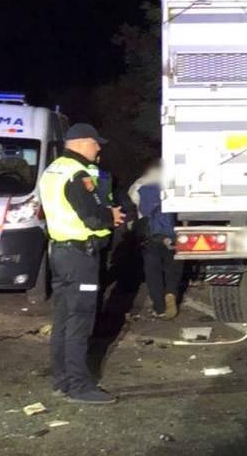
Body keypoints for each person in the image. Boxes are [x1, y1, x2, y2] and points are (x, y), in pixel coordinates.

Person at [37, 123, 125, 404]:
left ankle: (61, 381)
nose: (98, 148)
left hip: (61, 253)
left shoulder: (52, 170)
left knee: (63, 320)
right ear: (81, 143)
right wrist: (111, 216)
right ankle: (79, 386)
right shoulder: (78, 174)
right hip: (80, 256)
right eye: (95, 143)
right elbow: (92, 216)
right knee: (80, 322)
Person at [129, 161, 183, 319]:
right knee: (173, 268)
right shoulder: (174, 181)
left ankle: (159, 308)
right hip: (171, 232)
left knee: (153, 272)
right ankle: (171, 292)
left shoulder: (139, 184)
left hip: (150, 235)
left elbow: (134, 201)